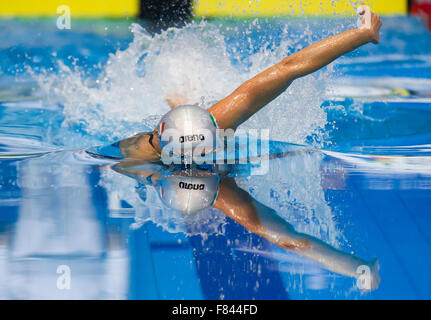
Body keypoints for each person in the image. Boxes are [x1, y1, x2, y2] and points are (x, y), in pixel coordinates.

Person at [118, 5, 382, 161]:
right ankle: (178, 100)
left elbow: (286, 68)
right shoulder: (137, 160)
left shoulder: (214, 122)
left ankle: (179, 99)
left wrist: (360, 34)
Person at [110, 160, 380, 291]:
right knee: (285, 238)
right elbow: (292, 242)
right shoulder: (229, 198)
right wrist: (360, 270)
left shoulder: (149, 159)